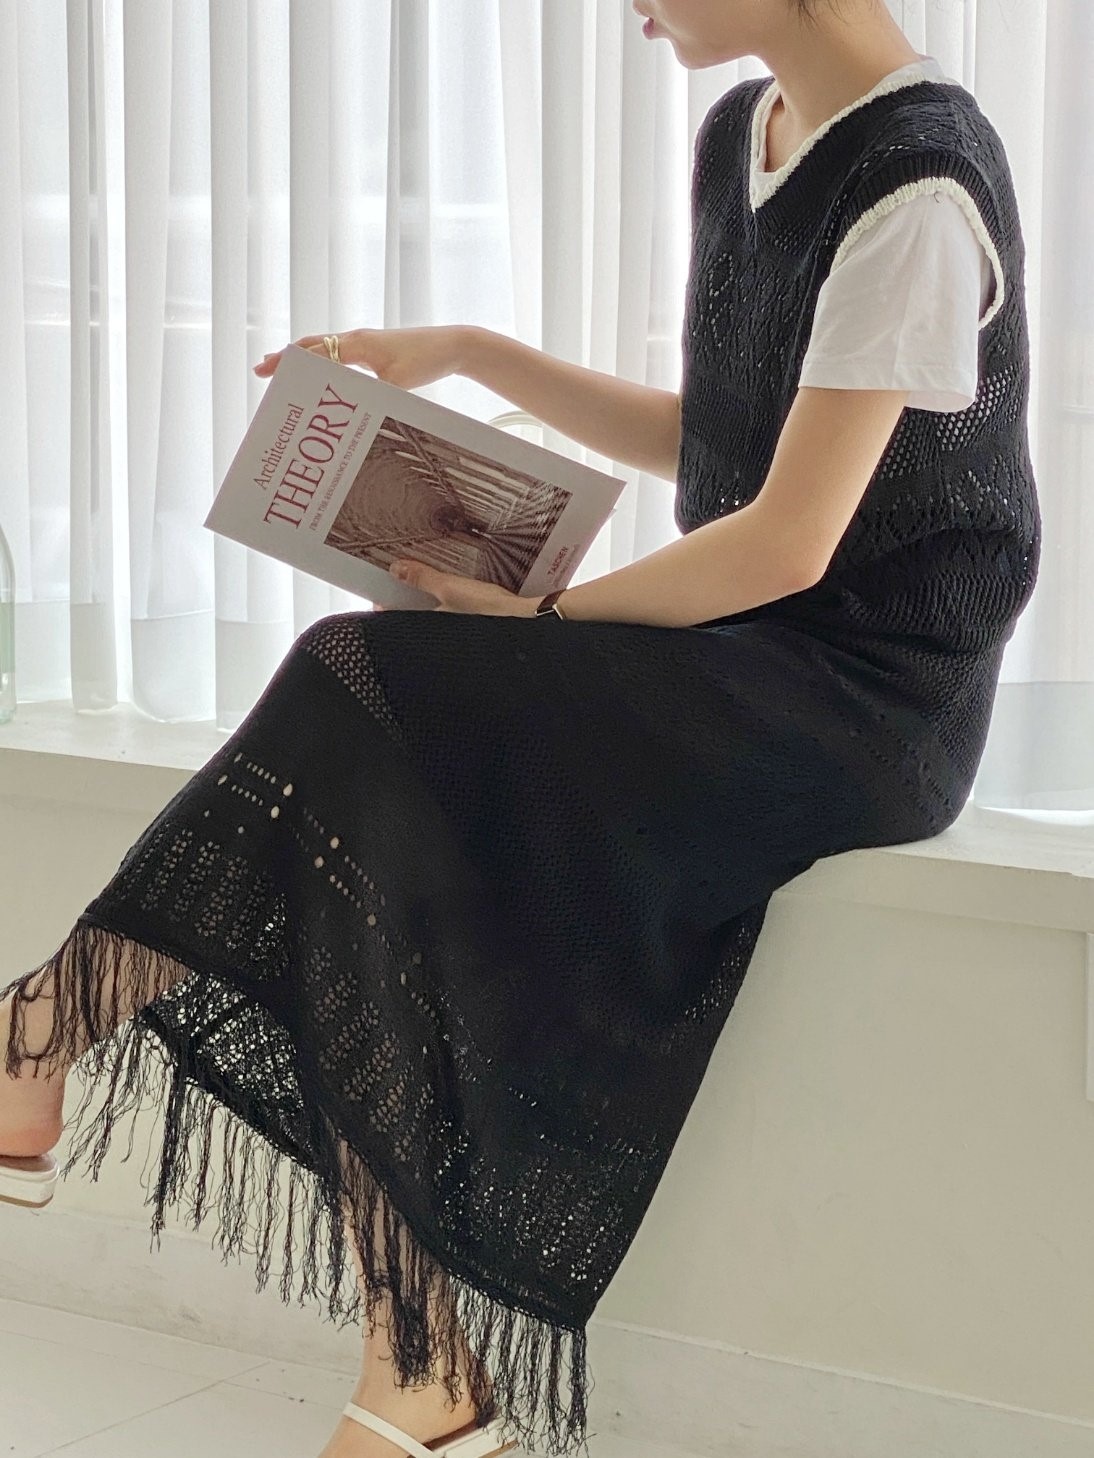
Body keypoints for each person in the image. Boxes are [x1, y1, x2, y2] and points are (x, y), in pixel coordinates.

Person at [0, 0, 1040, 1454]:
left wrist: (546, 622)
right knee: (377, 771)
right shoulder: (743, 137)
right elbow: (713, 435)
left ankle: (41, 1035)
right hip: (742, 651)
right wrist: (464, 351)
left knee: (361, 673)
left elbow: (787, 541)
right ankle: (413, 1366)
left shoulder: (918, 186)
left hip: (867, 696)